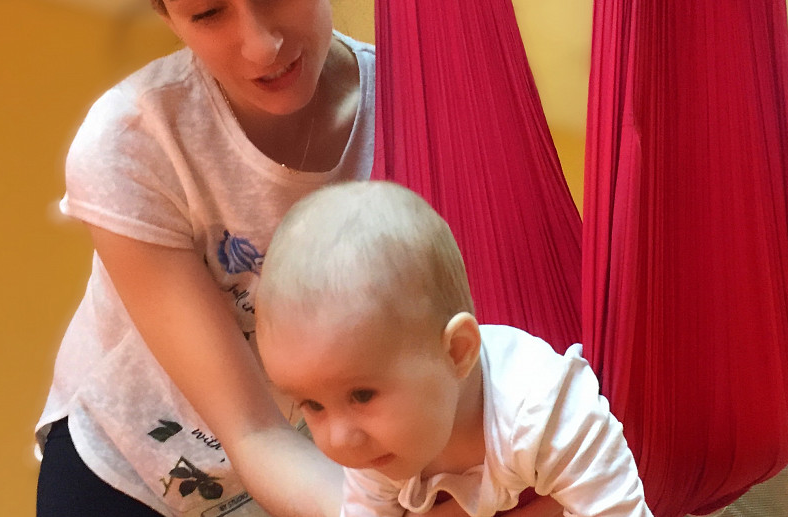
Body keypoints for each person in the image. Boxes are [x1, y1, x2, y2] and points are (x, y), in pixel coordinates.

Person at [34, 0, 374, 515]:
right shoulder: (132, 139)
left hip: (337, 464)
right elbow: (253, 431)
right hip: (130, 475)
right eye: (209, 12)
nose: (262, 46)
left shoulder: (423, 110)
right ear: (169, 18)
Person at [254, 181, 654, 517]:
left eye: (362, 395)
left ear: (457, 352)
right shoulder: (374, 445)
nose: (339, 439)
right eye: (313, 405)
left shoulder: (542, 409)